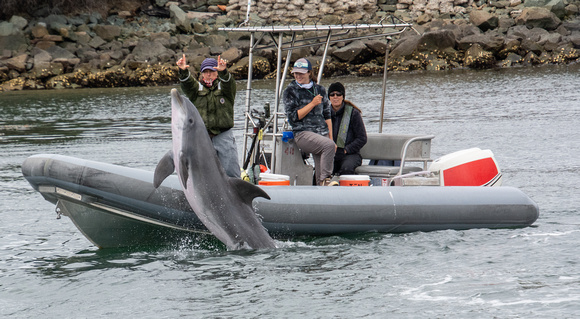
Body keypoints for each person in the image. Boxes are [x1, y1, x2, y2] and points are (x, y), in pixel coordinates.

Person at [176, 54, 241, 178]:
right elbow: (187, 84)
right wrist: (183, 71)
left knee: (231, 172)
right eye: (205, 72)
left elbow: (229, 83)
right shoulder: (196, 90)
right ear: (202, 74)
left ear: (216, 72)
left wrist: (224, 72)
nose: (208, 74)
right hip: (203, 137)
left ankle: (237, 193)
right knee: (203, 173)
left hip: (224, 136)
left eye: (211, 71)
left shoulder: (225, 89)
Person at [283, 58, 337, 186]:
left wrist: (331, 138)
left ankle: (321, 188)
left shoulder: (320, 90)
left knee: (326, 151)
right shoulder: (290, 91)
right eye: (296, 73)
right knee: (327, 146)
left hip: (322, 132)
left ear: (309, 73)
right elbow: (293, 117)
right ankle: (326, 180)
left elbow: (327, 115)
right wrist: (312, 104)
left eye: (301, 73)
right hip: (303, 133)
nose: (298, 76)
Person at [328, 82, 367, 176]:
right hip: (330, 154)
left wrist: (346, 150)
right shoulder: (325, 114)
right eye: (332, 94)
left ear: (343, 96)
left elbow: (362, 138)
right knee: (321, 170)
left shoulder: (353, 113)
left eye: (338, 94)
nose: (335, 97)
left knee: (347, 168)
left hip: (351, 154)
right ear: (329, 97)